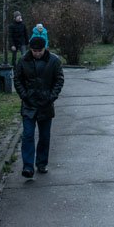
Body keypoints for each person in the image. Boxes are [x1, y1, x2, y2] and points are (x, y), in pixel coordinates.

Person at [14, 35, 65, 177]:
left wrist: (51, 97)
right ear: (30, 49)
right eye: (34, 50)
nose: (37, 53)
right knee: (28, 135)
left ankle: (41, 163)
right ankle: (28, 167)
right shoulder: (24, 60)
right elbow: (18, 79)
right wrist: (24, 95)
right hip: (29, 104)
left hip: (45, 104)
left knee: (44, 136)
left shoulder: (53, 61)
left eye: (39, 51)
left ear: (45, 49)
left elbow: (59, 80)